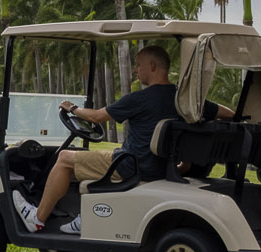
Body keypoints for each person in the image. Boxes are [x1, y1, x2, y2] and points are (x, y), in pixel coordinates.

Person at [20, 45, 232, 234]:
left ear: (152, 65)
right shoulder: (184, 101)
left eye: (138, 65)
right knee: (85, 161)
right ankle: (84, 217)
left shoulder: (140, 99)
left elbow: (96, 117)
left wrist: (72, 108)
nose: (135, 70)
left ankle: (37, 219)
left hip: (131, 165)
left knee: (65, 157)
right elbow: (229, 113)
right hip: (161, 166)